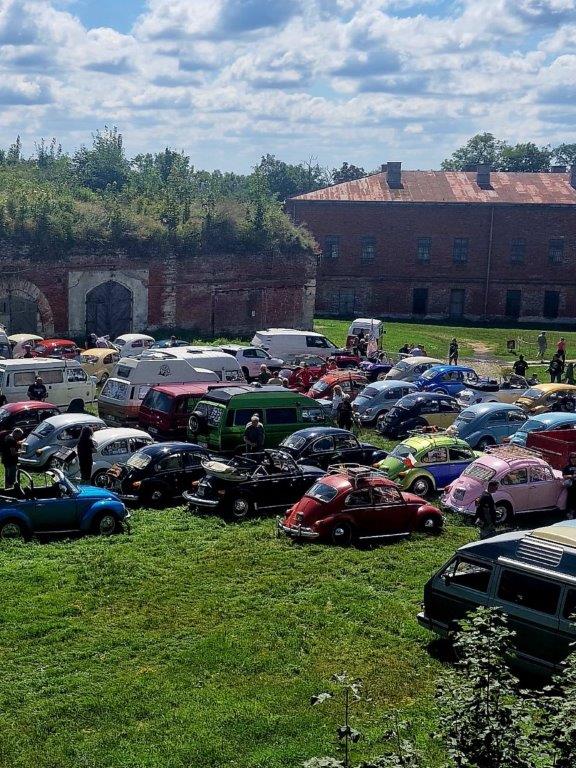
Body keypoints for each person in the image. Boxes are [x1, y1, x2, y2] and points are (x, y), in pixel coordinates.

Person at [562, 453, 576, 519]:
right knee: (570, 500)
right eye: (572, 458)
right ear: (570, 459)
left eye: (575, 458)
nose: (573, 459)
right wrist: (571, 476)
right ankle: (569, 513)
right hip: (571, 486)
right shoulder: (567, 467)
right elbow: (564, 476)